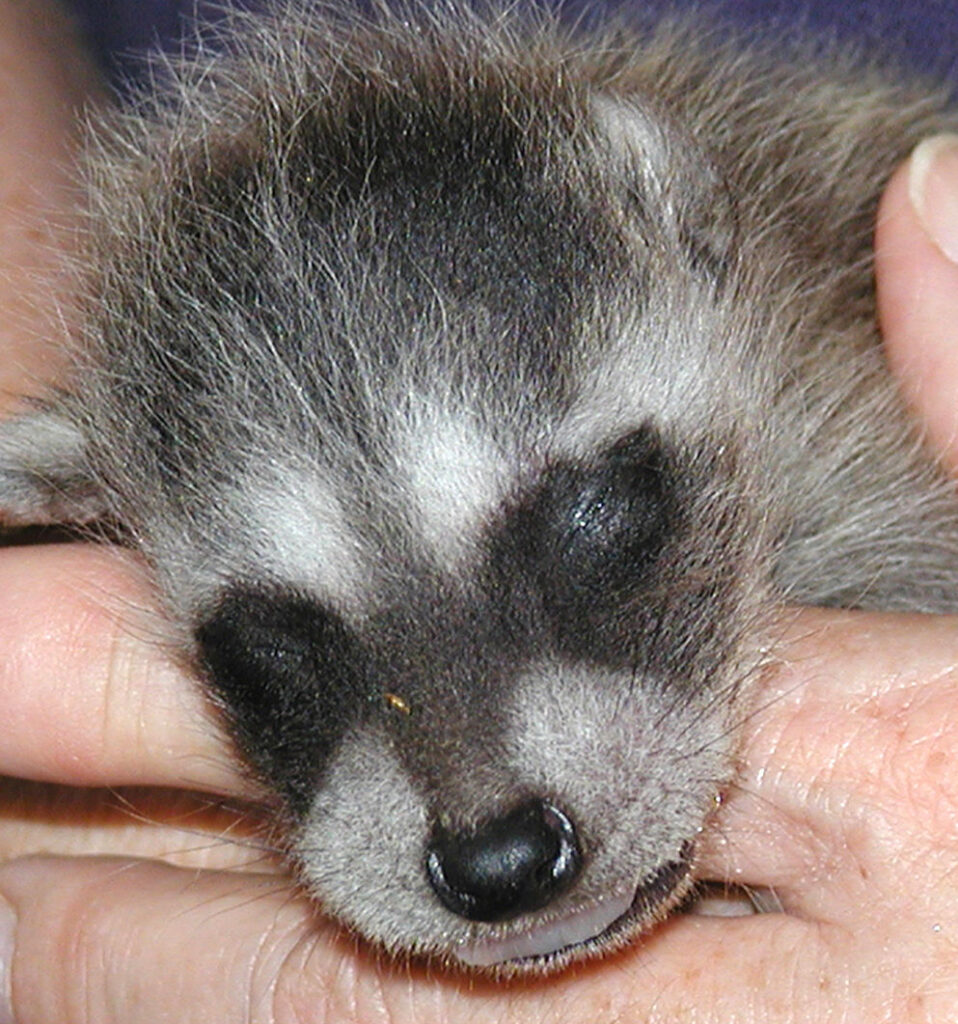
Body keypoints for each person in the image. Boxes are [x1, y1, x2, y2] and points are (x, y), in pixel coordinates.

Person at [2, 1, 958, 1019]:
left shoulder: (830, 318)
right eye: (280, 653)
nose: (480, 821)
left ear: (685, 235)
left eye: (589, 524)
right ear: (88, 507)